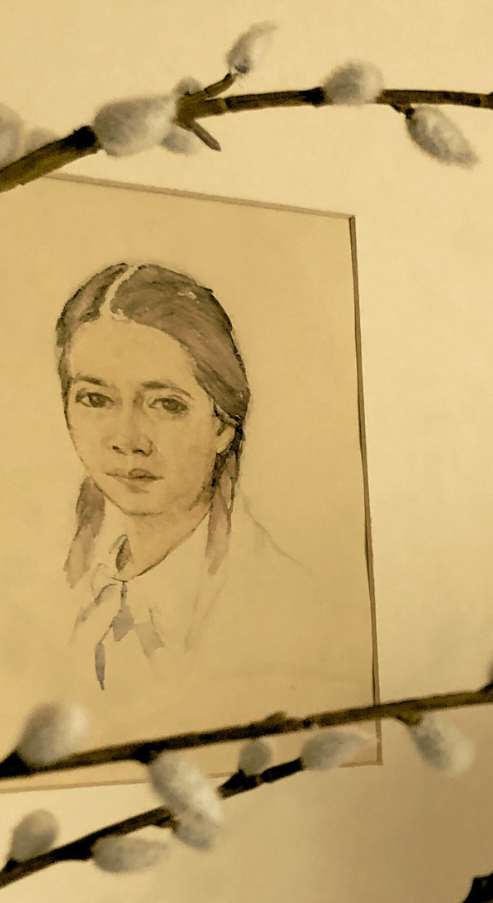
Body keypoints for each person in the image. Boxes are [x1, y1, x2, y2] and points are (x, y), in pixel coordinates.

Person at [55, 261, 336, 715]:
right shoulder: (73, 594)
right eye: (96, 399)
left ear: (223, 425)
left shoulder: (287, 604)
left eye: (166, 404)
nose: (128, 439)